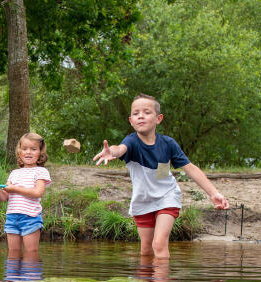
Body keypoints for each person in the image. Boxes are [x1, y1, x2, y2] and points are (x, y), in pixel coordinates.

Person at [93, 93, 229, 259]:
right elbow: (119, 148)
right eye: (136, 113)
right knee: (146, 250)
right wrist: (111, 151)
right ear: (131, 120)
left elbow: (190, 168)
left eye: (147, 112)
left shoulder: (168, 144)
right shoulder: (131, 141)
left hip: (167, 197)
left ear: (159, 118)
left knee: (159, 243)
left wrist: (213, 193)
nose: (140, 116)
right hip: (142, 200)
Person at [0, 133, 52, 260]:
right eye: (24, 149)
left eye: (33, 149)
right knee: (13, 254)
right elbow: (4, 197)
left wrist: (14, 189)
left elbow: (37, 192)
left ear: (40, 152)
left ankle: (29, 279)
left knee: (31, 253)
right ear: (19, 151)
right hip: (12, 218)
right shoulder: (14, 173)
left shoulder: (41, 171)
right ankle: (14, 280)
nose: (28, 152)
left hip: (30, 217)